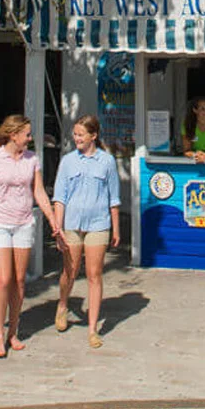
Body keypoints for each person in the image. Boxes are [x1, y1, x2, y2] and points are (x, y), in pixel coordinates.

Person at [0, 114, 65, 358]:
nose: (30, 138)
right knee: (3, 279)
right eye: (27, 134)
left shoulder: (31, 159)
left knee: (20, 280)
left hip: (24, 222)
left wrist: (53, 219)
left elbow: (39, 192)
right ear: (13, 135)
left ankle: (14, 330)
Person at [52, 114, 122, 349]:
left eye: (81, 134)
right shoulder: (68, 161)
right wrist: (57, 227)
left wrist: (116, 228)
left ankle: (93, 329)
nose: (77, 138)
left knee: (95, 274)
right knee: (70, 271)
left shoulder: (107, 162)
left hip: (98, 223)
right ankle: (63, 304)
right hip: (72, 223)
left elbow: (114, 198)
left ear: (94, 136)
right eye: (75, 134)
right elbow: (59, 197)